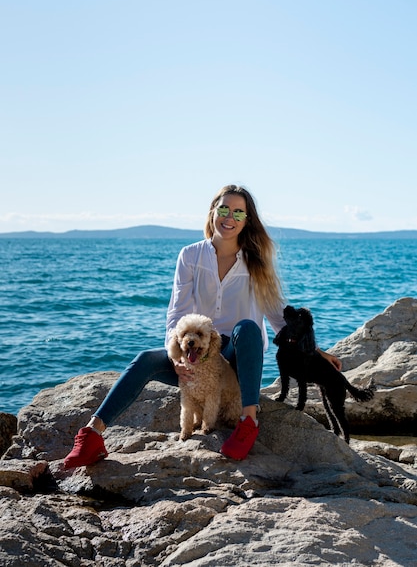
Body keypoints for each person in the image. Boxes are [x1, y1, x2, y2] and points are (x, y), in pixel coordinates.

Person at [64, 184, 341, 468]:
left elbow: (278, 317)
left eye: (238, 212)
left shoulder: (255, 261)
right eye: (223, 209)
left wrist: (316, 351)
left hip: (236, 359)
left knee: (247, 327)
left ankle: (248, 420)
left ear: (247, 219)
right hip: (197, 356)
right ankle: (92, 435)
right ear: (212, 212)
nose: (228, 217)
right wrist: (177, 358)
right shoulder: (190, 256)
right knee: (144, 359)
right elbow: (177, 313)